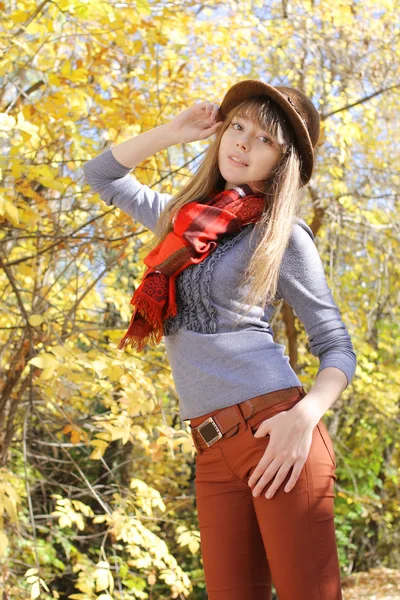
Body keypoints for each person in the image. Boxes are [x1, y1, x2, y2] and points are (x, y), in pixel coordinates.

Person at [83, 78, 357, 600]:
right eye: (237, 127)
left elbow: (336, 344)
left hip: (277, 433)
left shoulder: (284, 237)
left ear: (283, 161)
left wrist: (304, 418)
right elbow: (101, 174)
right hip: (211, 448)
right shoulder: (184, 221)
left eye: (263, 139)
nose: (242, 143)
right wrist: (173, 131)